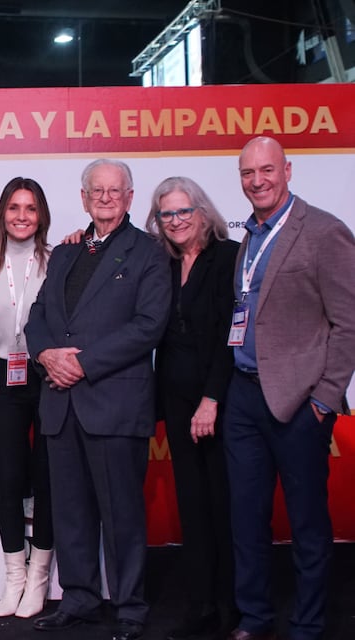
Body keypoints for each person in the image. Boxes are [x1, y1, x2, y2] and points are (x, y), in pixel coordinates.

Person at [26, 159, 170, 640]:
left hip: (113, 404)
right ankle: (81, 598)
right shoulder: (66, 253)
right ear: (84, 198)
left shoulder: (148, 252)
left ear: (130, 198)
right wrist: (46, 353)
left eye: (115, 191)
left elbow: (149, 326)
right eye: (97, 191)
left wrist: (81, 364)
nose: (106, 198)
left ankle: (130, 606)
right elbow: (39, 315)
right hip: (61, 404)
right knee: (70, 511)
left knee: (122, 514)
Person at [223, 136, 355, 640]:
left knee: (307, 523)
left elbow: (348, 324)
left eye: (266, 170)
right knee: (247, 520)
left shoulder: (324, 231)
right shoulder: (250, 236)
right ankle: (254, 617)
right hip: (244, 396)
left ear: (288, 170)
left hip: (300, 403)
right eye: (247, 173)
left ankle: (307, 623)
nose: (257, 181)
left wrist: (323, 399)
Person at [144, 177, 239, 639]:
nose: (176, 221)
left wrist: (212, 398)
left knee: (226, 503)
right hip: (177, 402)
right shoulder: (161, 260)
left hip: (221, 400)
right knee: (193, 506)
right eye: (167, 214)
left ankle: (234, 604)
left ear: (202, 212)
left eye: (184, 211)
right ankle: (202, 602)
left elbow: (231, 334)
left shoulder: (228, 256)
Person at [0, 178, 54, 618]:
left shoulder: (56, 261)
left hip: (48, 376)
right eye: (14, 208)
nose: (22, 216)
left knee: (46, 478)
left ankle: (39, 577)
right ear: (2, 214)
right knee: (9, 480)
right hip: (5, 377)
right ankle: (14, 577)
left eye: (30, 208)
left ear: (41, 215)